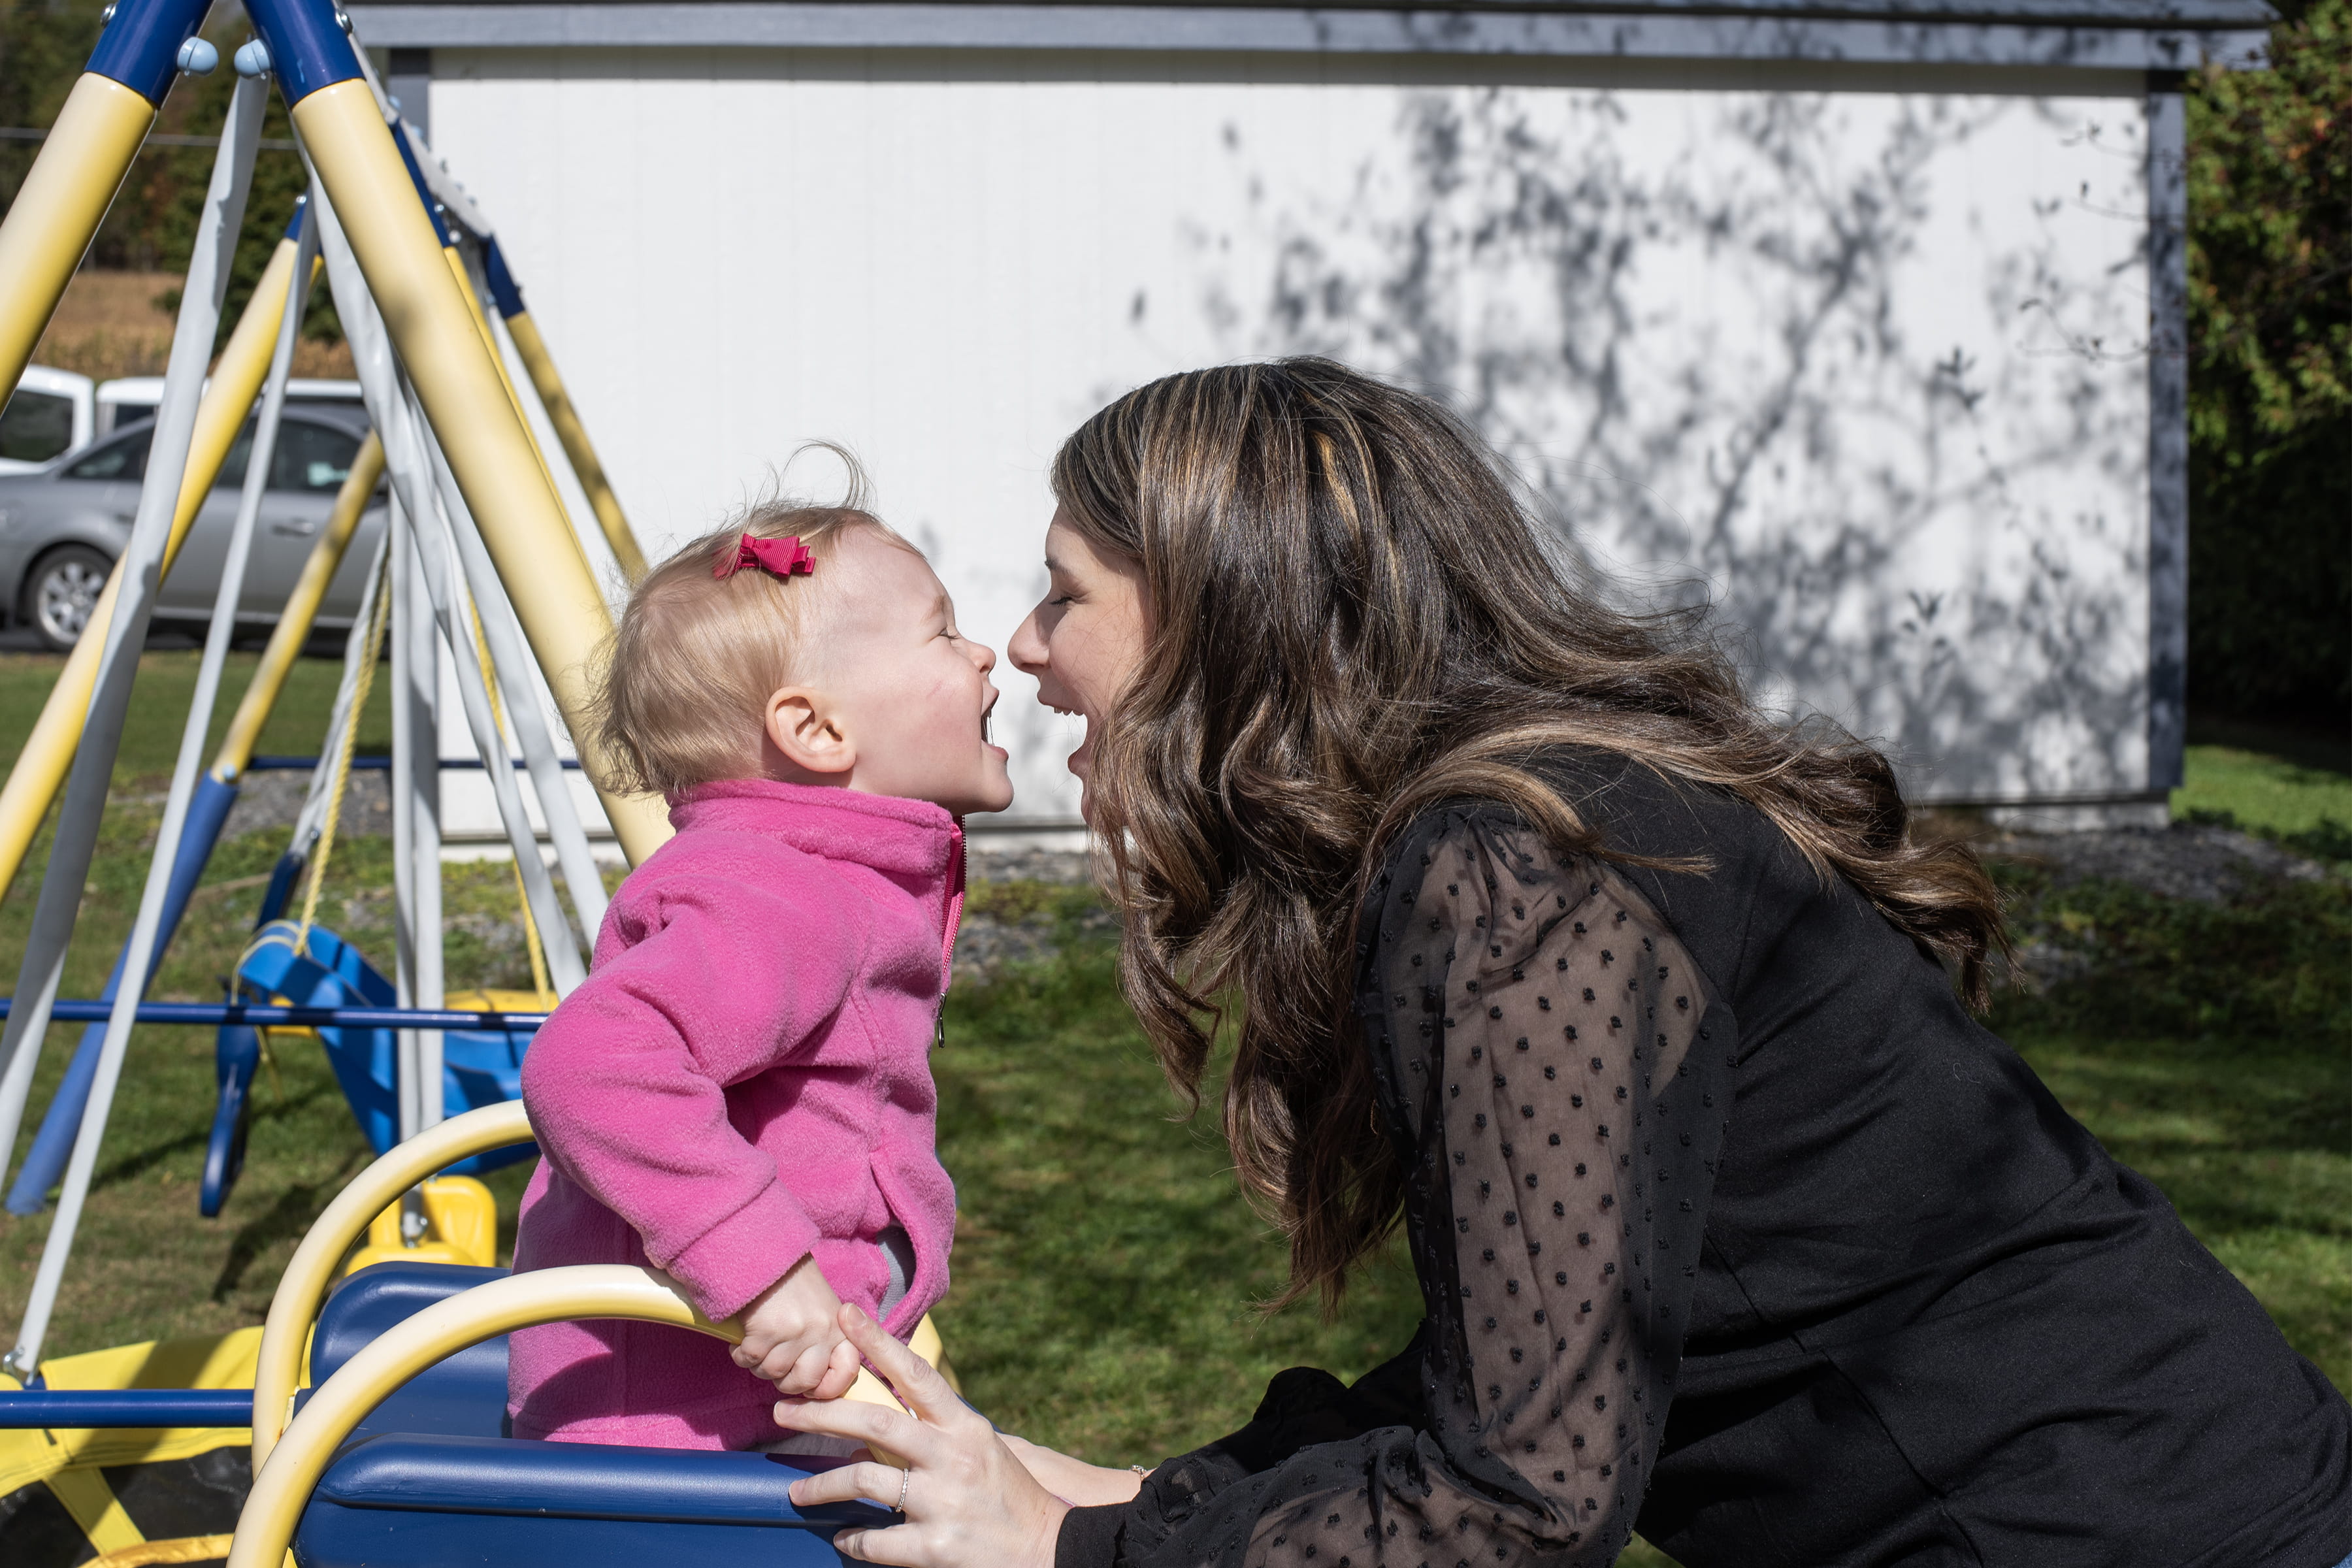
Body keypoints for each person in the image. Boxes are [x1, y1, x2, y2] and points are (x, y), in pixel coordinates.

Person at [774, 359, 2352, 1567]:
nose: (1026, 645)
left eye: (1069, 593)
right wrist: (1121, 1493)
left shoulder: (1523, 872)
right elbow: (1518, 1372)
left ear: (1224, 619)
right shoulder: (1512, 834)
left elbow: (1516, 1506)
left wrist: (1079, 1548)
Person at [506, 473, 1013, 1449]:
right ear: (816, 730)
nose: (985, 652)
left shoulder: (819, 874)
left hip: (743, 1400)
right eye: (945, 633)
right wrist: (767, 1272)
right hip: (675, 1438)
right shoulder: (781, 893)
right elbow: (594, 1066)